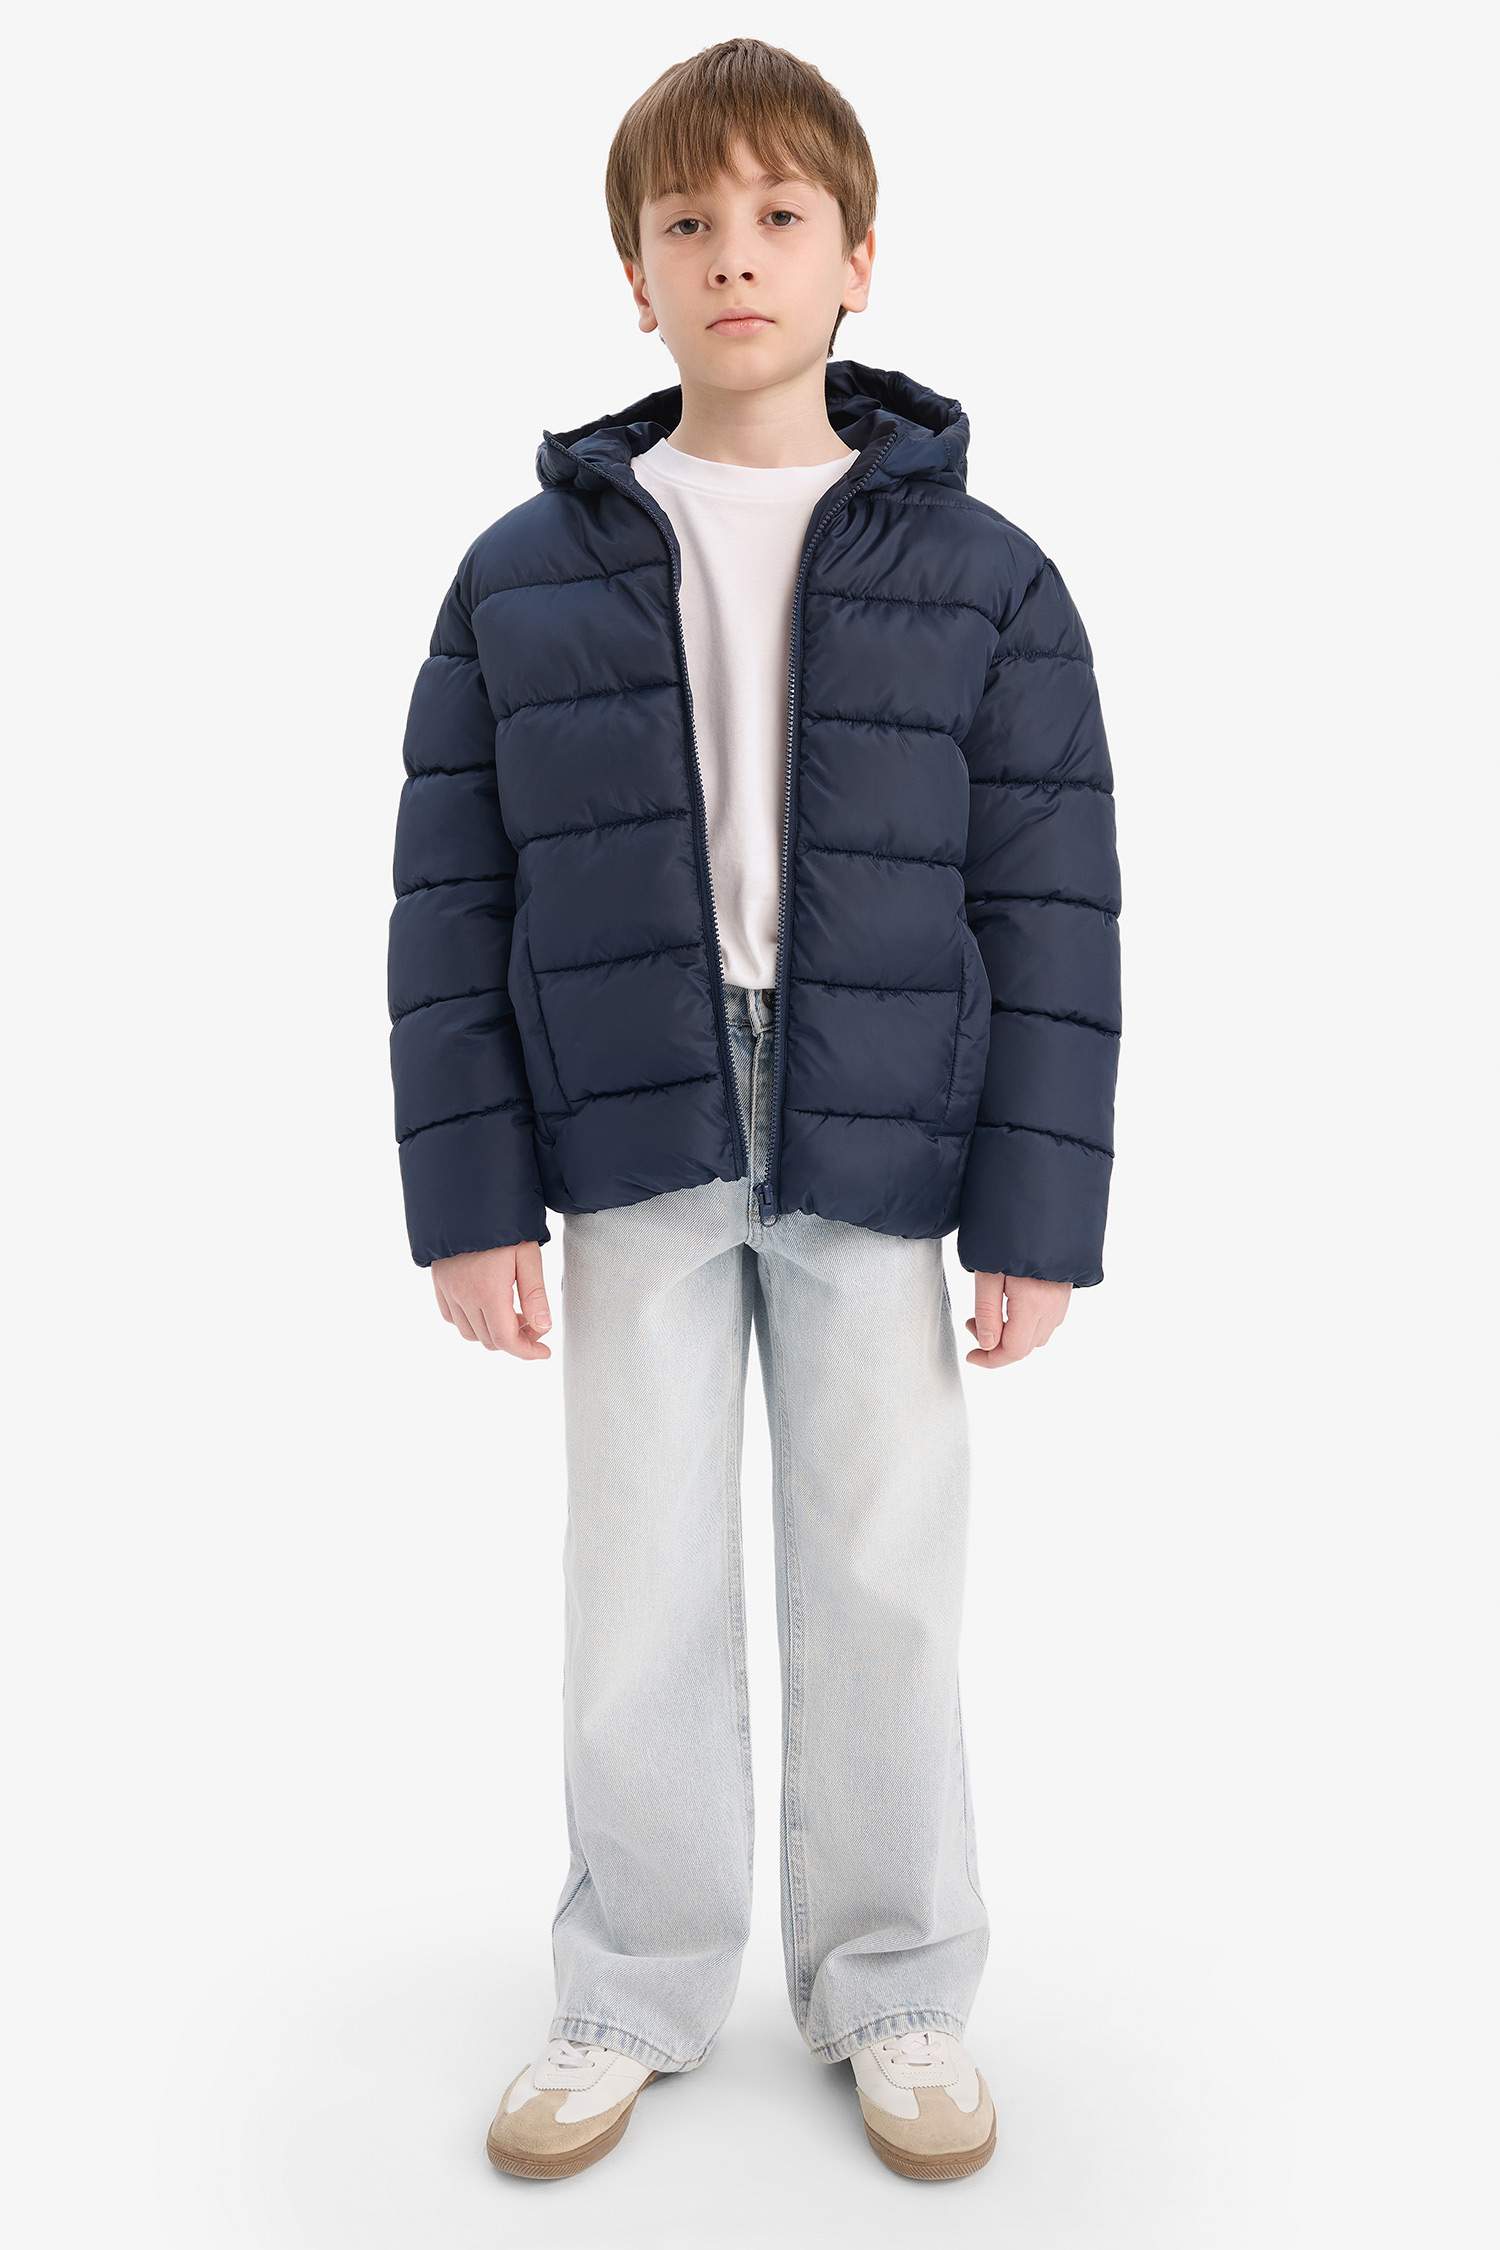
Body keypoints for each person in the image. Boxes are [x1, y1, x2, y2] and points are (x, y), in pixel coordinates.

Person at [387, 37, 1120, 2186]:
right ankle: (631, 1985)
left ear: (858, 258)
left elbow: (1050, 900)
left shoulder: (988, 576)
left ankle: (895, 1983)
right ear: (633, 274)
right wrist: (467, 1198)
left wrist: (1040, 1218)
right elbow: (451, 899)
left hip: (882, 1112)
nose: (735, 255)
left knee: (883, 1565)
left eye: (781, 215)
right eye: (688, 221)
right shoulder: (522, 572)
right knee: (639, 1570)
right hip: (628, 1112)